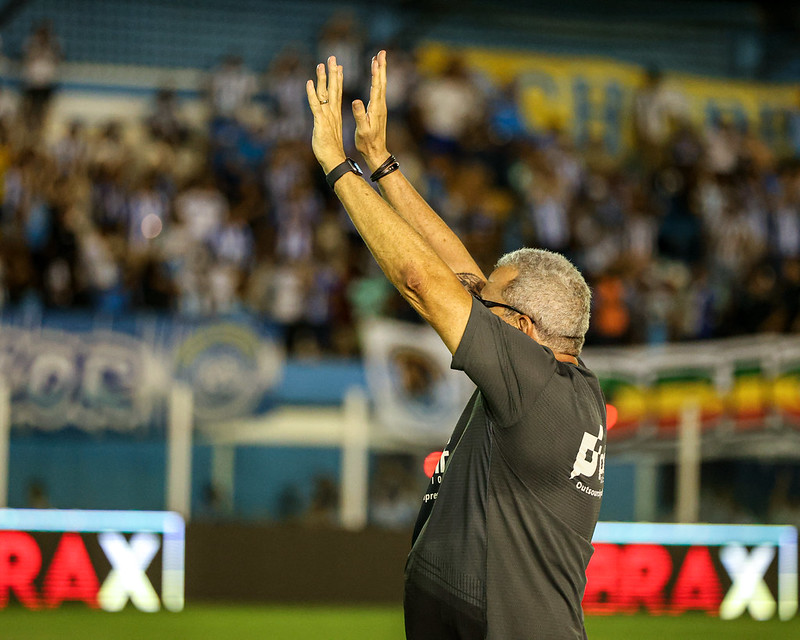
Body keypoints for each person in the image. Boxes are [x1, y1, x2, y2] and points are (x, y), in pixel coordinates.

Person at [307, 52, 606, 639]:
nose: (472, 304)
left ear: (521, 331)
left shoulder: (535, 385)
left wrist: (337, 166)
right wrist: (382, 163)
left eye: (488, 308)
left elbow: (423, 281)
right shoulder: (555, 371)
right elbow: (461, 276)